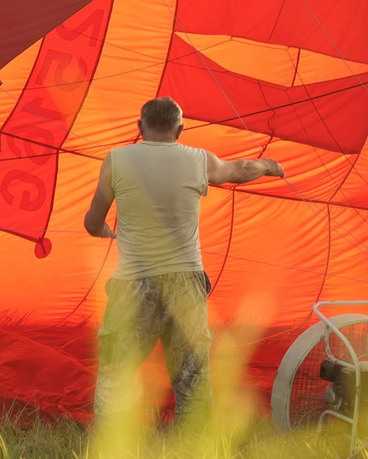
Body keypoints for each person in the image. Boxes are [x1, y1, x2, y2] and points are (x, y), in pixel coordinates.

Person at [80, 96, 284, 423]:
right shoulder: (198, 159)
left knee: (116, 372)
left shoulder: (117, 160)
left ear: (140, 127)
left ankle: (111, 444)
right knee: (193, 377)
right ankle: (191, 446)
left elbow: (92, 222)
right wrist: (268, 166)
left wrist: (104, 231)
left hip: (134, 283)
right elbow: (240, 170)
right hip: (185, 283)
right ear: (179, 130)